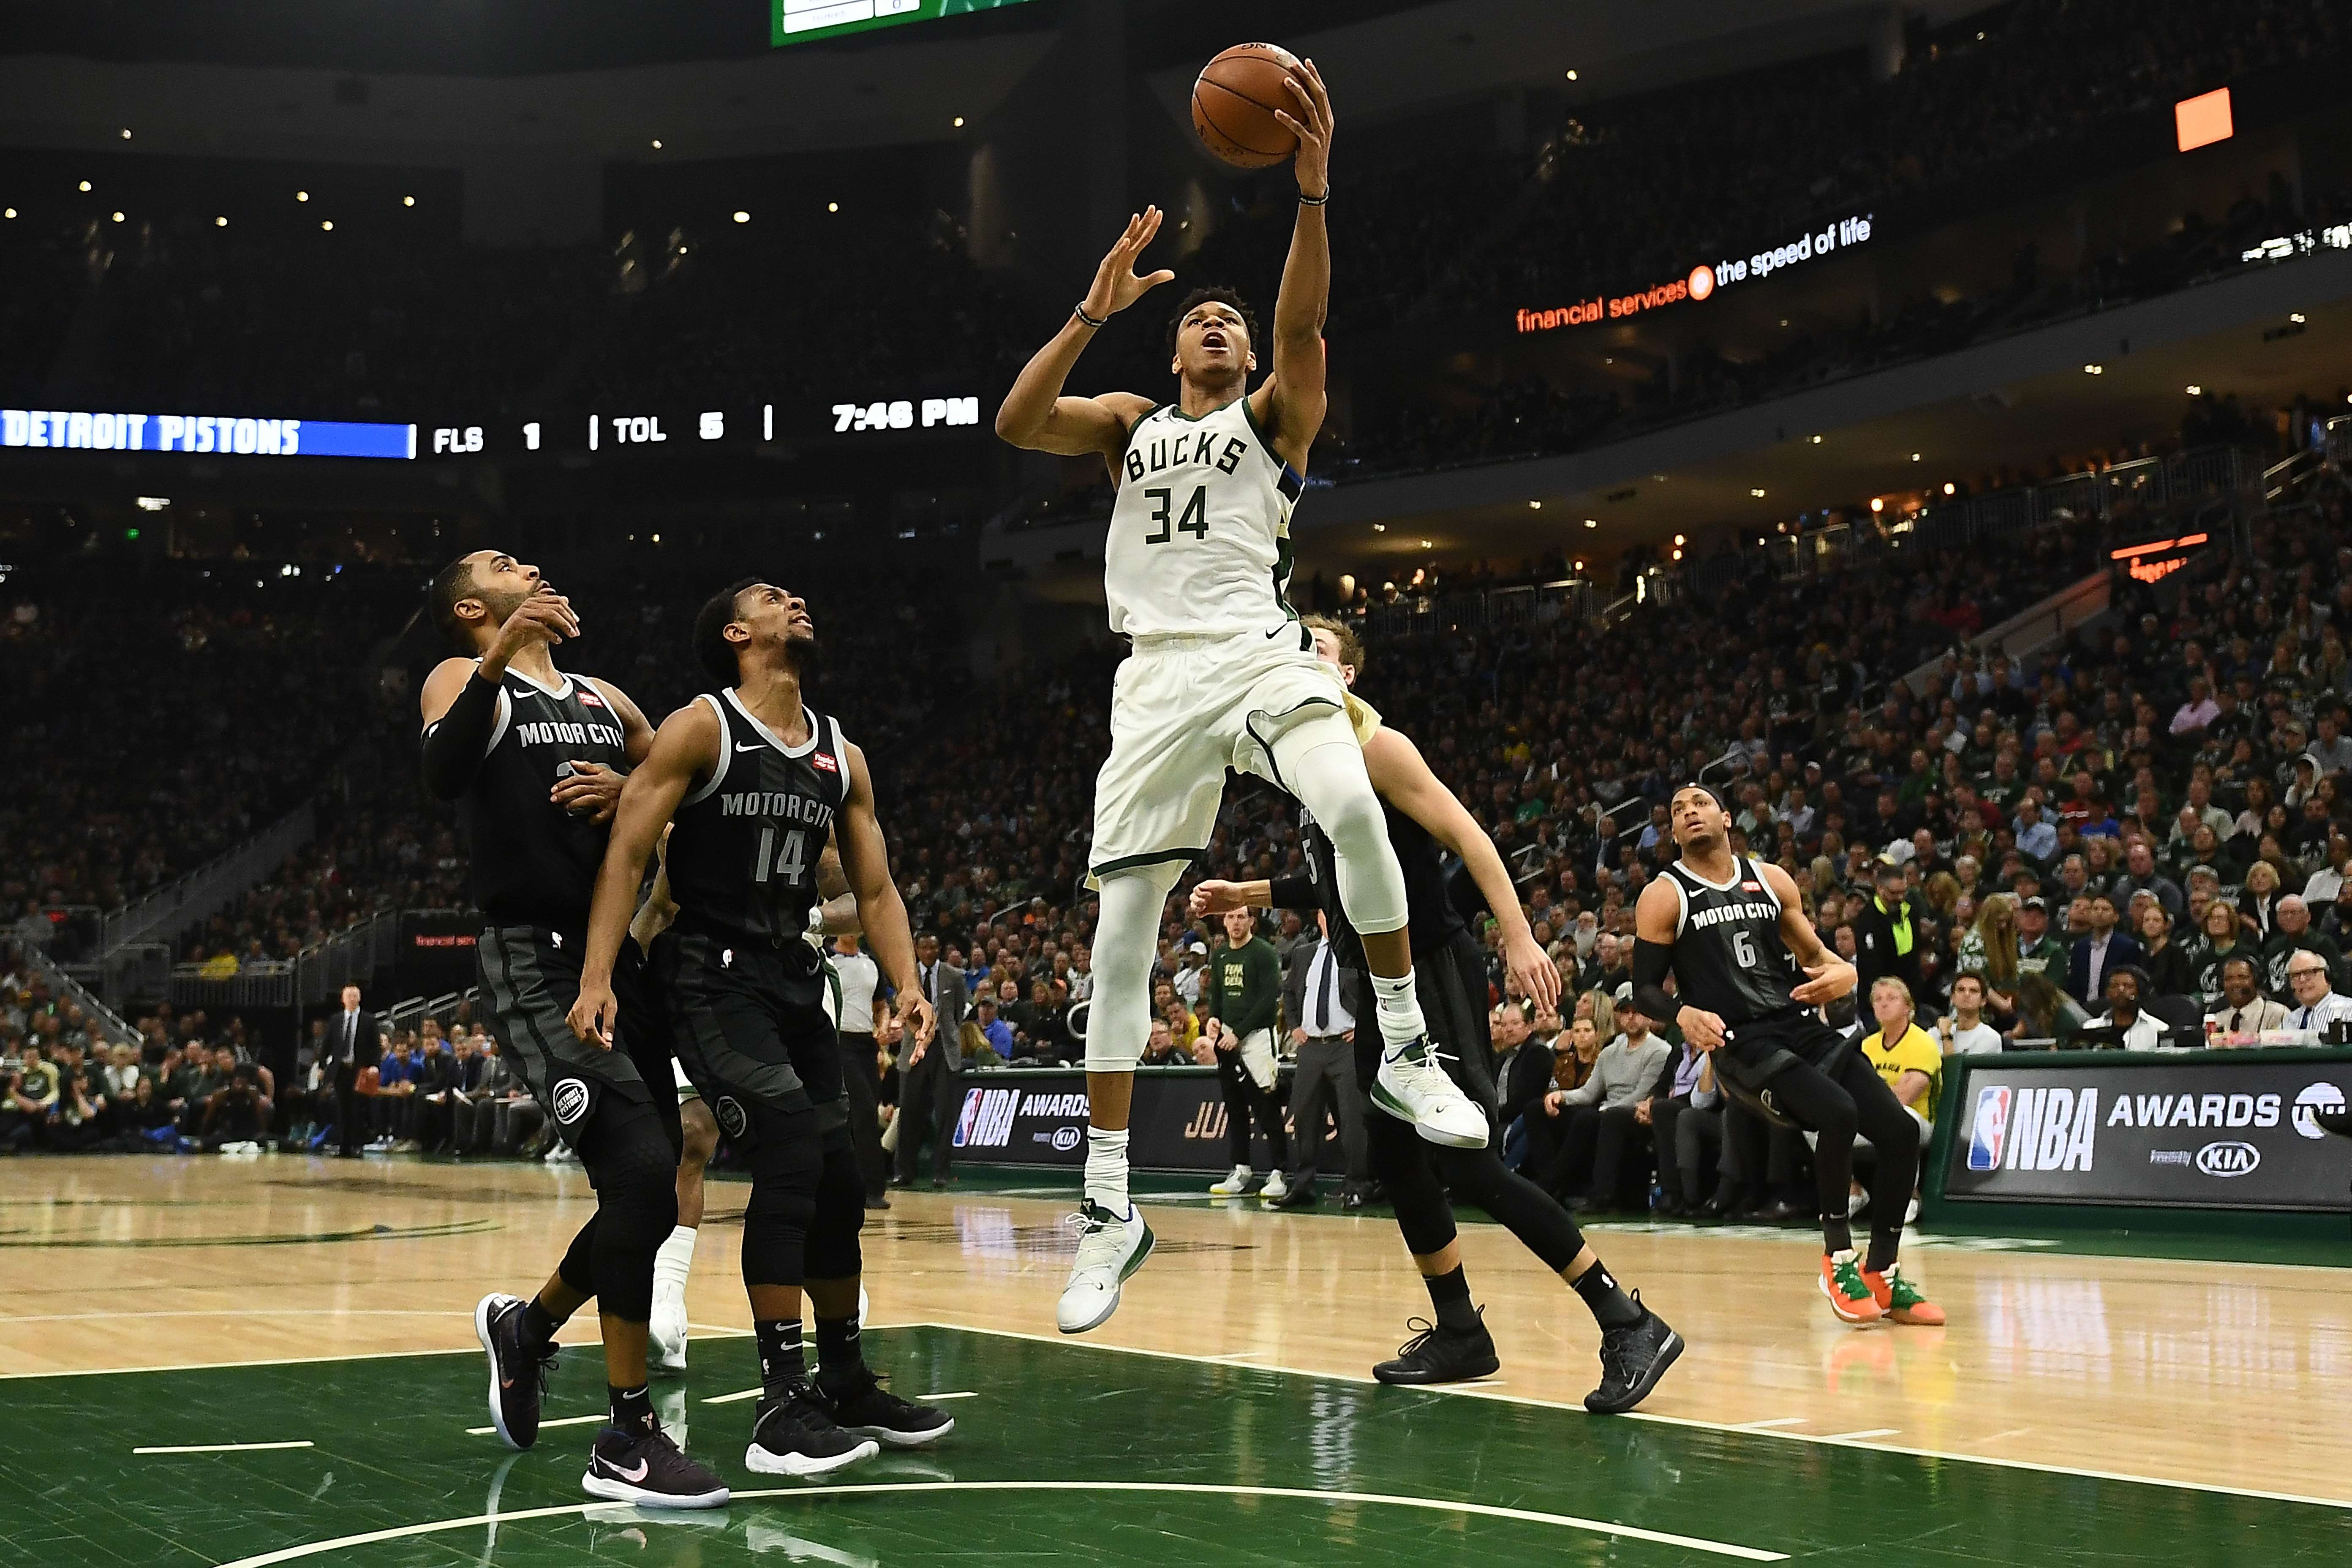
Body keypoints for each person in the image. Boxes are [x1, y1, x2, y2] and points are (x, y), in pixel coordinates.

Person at [994, 70, 1484, 1334]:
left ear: (1254, 351)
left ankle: (1406, 1047)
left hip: (1259, 648)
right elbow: (1013, 420)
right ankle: (1110, 1208)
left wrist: (1310, 189)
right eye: (1196, 317)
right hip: (1152, 675)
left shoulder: (1277, 415)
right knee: (1117, 943)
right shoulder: (1124, 422)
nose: (1214, 324)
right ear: (1168, 349)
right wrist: (1088, 309)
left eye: (1231, 317)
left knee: (1350, 806)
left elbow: (1307, 324)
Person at [1190, 616, 1680, 1413]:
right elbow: (1339, 881)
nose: (1297, 654)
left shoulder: (1379, 747)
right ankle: (1459, 1329)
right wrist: (1247, 894)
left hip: (1431, 976)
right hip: (1375, 983)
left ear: (1347, 673)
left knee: (1466, 1162)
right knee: (1397, 1157)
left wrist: (1518, 936)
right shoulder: (1308, 766)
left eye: (1315, 645)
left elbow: (1469, 836)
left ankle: (1626, 1319)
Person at [567, 577, 950, 1479]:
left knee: (844, 1176)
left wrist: (908, 982)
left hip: (790, 973)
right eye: (775, 598)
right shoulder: (701, 726)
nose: (799, 602)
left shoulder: (840, 753)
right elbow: (627, 849)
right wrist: (597, 973)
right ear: (738, 632)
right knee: (788, 1151)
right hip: (708, 972)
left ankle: (846, 1377)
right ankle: (780, 1404)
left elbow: (880, 887)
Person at [419, 549, 723, 1509]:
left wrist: (631, 795)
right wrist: (499, 656)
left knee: (655, 1190)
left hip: (620, 958)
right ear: (476, 606)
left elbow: (688, 801)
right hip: (532, 958)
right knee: (636, 1173)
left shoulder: (606, 698)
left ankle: (530, 1325)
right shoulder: (462, 677)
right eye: (504, 565)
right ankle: (628, 1435)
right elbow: (441, 769)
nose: (531, 563)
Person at [1635, 784, 1943, 1327]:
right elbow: (1643, 990)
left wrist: (1846, 972)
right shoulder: (1665, 894)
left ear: (1726, 818)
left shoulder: (1770, 879)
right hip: (1740, 1042)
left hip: (1797, 1025)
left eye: (1699, 804)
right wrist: (1684, 1014)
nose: (1688, 813)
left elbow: (1816, 957)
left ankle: (1883, 1274)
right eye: (1678, 810)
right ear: (1674, 832)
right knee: (1839, 1114)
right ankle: (1837, 1259)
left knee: (1899, 1130)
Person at [1199, 908, 1290, 1202]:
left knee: (1266, 1105)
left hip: (1258, 1038)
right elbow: (1217, 994)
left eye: (1241, 917)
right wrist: (1213, 1018)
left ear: (1252, 921)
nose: (1236, 923)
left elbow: (1268, 1001)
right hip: (1227, 1036)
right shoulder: (1221, 955)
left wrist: (1238, 1033)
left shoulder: (1263, 953)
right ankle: (1241, 1169)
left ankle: (1279, 1172)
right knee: (1235, 1106)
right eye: (1231, 918)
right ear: (1223, 922)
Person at [1281, 912, 1369, 1210]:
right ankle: (1303, 1186)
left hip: (1345, 1045)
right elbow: (1289, 993)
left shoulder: (1358, 951)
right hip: (1311, 1048)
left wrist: (1365, 1026)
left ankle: (1357, 1185)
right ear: (1319, 919)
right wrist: (1294, 1026)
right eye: (1324, 914)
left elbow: (1375, 993)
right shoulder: (1303, 953)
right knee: (1305, 1118)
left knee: (1352, 1120)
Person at [892, 936, 968, 1189]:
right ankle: (904, 1172)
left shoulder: (954, 976)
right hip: (914, 1046)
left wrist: (947, 1035)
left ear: (940, 949)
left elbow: (958, 1014)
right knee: (910, 1111)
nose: (929, 951)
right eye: (924, 947)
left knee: (946, 1113)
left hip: (945, 1050)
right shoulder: (907, 976)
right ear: (916, 948)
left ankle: (941, 1172)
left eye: (934, 947)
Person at [323, 983, 380, 1158]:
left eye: (355, 996)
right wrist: (321, 1065)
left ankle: (357, 1146)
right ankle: (344, 1147)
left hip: (360, 1070)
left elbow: (375, 1046)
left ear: (360, 998)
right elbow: (327, 1045)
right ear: (343, 999)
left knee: (358, 1109)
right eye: (348, 996)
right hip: (341, 1070)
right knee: (342, 1109)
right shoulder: (335, 1020)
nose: (352, 999)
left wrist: (375, 1066)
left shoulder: (369, 1020)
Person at [2066, 894, 2143, 1007]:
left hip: (2113, 1007)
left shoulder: (2128, 947)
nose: (2099, 913)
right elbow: (2074, 983)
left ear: (2116, 917)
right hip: (2082, 1007)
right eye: (2095, 909)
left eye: (2105, 909)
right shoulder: (2080, 947)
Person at [2205, 955, 2288, 1042]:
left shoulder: (2278, 1014)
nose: (2235, 983)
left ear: (2256, 980)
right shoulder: (2218, 1019)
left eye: (2242, 977)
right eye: (2229, 979)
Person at [2084, 966, 2170, 1050]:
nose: (2121, 990)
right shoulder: (2090, 1027)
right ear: (2108, 993)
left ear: (2140, 992)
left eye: (2128, 986)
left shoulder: (2159, 1029)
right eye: (2115, 986)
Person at [2283, 950, 2352, 1036]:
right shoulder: (2290, 1020)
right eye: (2296, 975)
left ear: (2327, 975)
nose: (2302, 980)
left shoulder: (2349, 1011)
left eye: (2309, 973)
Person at [1938, 974, 2005, 1055]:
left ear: (1983, 1001)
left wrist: (1946, 1037)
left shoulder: (1990, 1037)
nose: (1967, 994)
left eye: (1974, 991)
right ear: (1953, 998)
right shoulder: (1936, 1033)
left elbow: (1955, 1067)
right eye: (1961, 990)